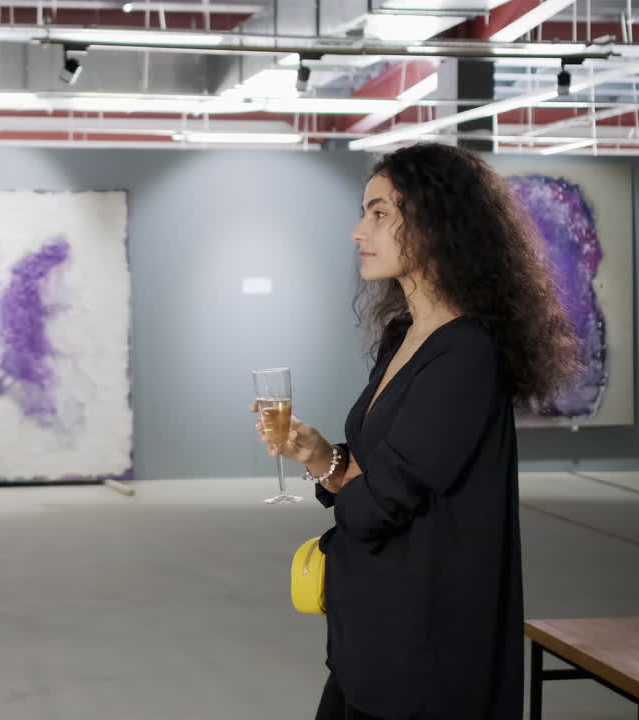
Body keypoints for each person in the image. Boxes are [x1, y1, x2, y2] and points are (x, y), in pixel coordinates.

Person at [255, 143, 578, 719]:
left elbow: (379, 505)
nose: (359, 231)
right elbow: (378, 471)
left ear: (435, 222)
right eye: (364, 212)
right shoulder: (403, 336)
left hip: (424, 653)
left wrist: (347, 481)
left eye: (379, 213)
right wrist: (318, 454)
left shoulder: (467, 355)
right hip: (375, 636)